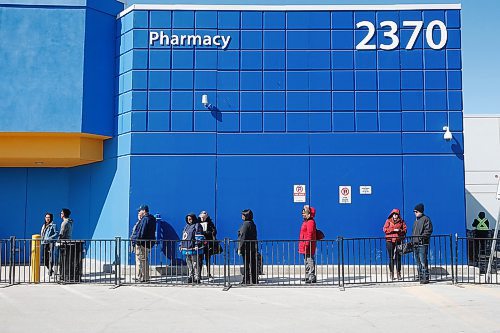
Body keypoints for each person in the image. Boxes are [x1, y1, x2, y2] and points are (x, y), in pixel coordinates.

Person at [130, 204, 157, 282]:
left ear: (144, 211)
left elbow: (142, 232)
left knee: (141, 260)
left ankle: (142, 277)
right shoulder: (151, 218)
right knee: (144, 260)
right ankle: (143, 276)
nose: (138, 212)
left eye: (140, 210)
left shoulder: (145, 219)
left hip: (142, 243)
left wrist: (137, 242)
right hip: (147, 243)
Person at [383, 208, 407, 280]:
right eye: (394, 214)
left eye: (396, 214)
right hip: (389, 240)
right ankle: (391, 273)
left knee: (398, 257)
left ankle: (399, 272)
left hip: (398, 240)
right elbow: (384, 229)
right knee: (391, 257)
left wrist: (400, 230)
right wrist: (392, 230)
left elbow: (405, 230)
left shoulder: (401, 221)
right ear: (392, 214)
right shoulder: (388, 221)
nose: (395, 215)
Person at [180, 213, 205, 283]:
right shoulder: (186, 226)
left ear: (193, 218)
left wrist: (197, 244)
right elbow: (184, 237)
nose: (189, 220)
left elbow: (199, 236)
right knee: (189, 263)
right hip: (186, 247)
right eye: (188, 219)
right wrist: (181, 245)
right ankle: (191, 276)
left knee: (195, 263)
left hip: (193, 247)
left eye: (190, 219)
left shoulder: (197, 225)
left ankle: (197, 277)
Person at [411, 203, 433, 284]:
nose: (415, 213)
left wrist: (421, 238)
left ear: (420, 211)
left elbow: (428, 231)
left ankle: (425, 277)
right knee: (418, 261)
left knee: (423, 261)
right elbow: (414, 232)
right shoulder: (416, 221)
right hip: (415, 244)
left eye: (416, 211)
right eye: (414, 211)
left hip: (422, 244)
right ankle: (420, 276)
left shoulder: (426, 219)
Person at [237, 209, 258, 285]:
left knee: (246, 264)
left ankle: (246, 280)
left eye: (243, 215)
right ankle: (254, 280)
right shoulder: (252, 223)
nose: (242, 216)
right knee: (253, 264)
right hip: (252, 247)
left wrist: (239, 248)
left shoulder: (245, 224)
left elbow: (243, 237)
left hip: (246, 248)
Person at [299, 205, 317, 284]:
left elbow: (310, 234)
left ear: (308, 214)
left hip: (308, 244)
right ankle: (307, 276)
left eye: (304, 213)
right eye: (302, 213)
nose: (302, 214)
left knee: (310, 260)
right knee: (306, 260)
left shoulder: (310, 222)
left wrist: (307, 243)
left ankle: (312, 276)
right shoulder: (306, 222)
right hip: (304, 244)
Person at [199, 211, 217, 279]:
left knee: (207, 259)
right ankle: (199, 274)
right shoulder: (198, 223)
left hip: (208, 244)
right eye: (201, 217)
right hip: (200, 244)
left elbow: (214, 231)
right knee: (200, 259)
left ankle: (208, 273)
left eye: (204, 217)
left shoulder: (210, 224)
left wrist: (207, 232)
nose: (202, 219)